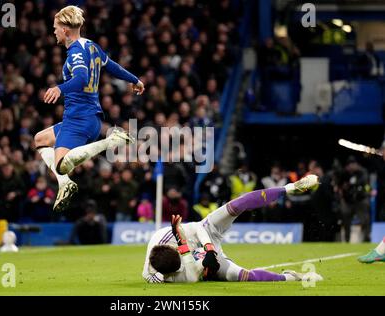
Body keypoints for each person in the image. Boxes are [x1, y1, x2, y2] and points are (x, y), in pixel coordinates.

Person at [34, 6, 145, 212]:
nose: (54, 31)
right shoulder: (90, 45)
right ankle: (64, 183)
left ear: (66, 30)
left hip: (79, 118)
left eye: (56, 27)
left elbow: (82, 78)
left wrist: (60, 88)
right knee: (40, 139)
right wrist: (134, 79)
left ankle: (111, 141)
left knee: (62, 165)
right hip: (87, 118)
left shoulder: (75, 51)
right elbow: (110, 65)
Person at [142, 175, 323, 283]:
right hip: (201, 260)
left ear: (172, 248)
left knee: (237, 204)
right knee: (243, 275)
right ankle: (291, 277)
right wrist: (205, 265)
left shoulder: (163, 236)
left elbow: (198, 228)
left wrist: (208, 247)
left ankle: (290, 188)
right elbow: (190, 274)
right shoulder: (177, 275)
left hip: (205, 235)